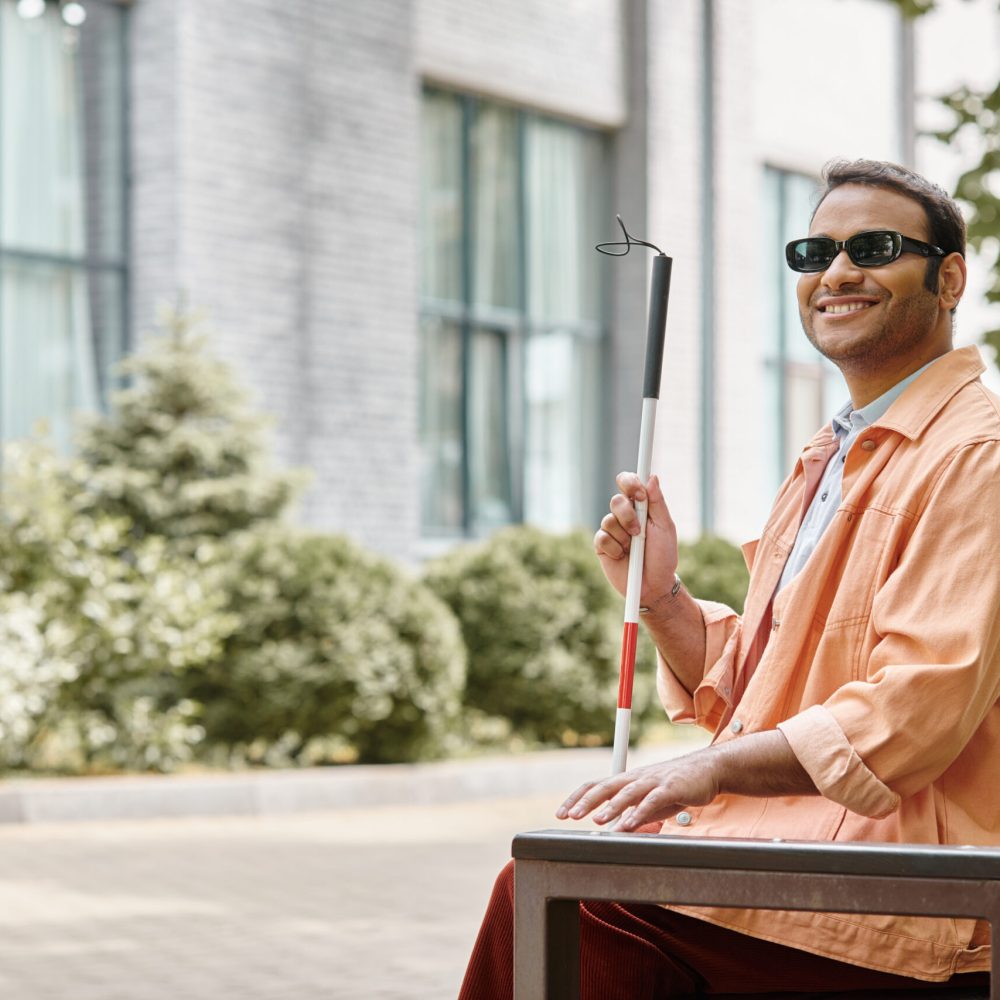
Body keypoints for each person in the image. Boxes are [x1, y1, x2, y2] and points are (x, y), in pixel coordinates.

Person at [458, 159, 1000, 998]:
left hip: (901, 891)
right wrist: (660, 596)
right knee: (561, 882)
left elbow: (913, 710)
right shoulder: (833, 454)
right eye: (815, 252)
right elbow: (766, 683)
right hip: (793, 849)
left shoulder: (976, 458)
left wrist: (707, 771)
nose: (838, 272)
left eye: (876, 247)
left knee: (572, 907)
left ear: (950, 276)